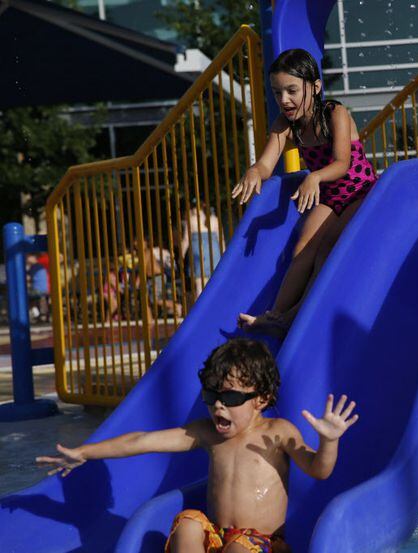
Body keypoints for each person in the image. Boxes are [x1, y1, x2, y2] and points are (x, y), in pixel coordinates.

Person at [36, 338, 359, 553]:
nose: (219, 406)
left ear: (261, 399)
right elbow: (143, 441)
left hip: (261, 545)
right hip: (218, 538)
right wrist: (84, 453)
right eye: (212, 396)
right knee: (189, 522)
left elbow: (319, 470)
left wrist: (329, 440)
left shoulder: (278, 432)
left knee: (238, 549)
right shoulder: (207, 434)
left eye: (231, 397)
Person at [232, 48, 377, 339]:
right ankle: (274, 315)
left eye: (292, 90)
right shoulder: (286, 126)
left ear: (315, 86)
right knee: (301, 250)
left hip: (361, 192)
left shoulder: (335, 114)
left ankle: (295, 316)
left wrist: (315, 177)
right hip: (329, 195)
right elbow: (266, 164)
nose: (284, 100)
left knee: (326, 252)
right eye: (277, 92)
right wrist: (253, 171)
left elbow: (341, 163)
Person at [182, 201, 223, 297]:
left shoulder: (191, 219)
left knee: (200, 287)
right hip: (214, 251)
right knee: (215, 283)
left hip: (199, 250)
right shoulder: (214, 219)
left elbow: (186, 239)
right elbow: (221, 239)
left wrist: (181, 255)